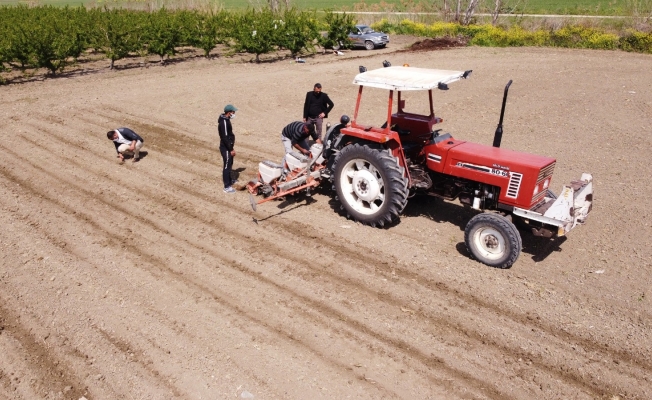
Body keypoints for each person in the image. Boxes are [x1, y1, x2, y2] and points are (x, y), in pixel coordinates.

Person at [218, 104, 238, 193]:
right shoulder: (224, 123)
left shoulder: (226, 120)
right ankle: (226, 187)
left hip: (228, 146)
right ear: (229, 113)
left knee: (230, 164)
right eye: (233, 112)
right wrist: (231, 149)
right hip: (225, 148)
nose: (234, 114)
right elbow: (225, 137)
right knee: (227, 165)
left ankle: (230, 180)